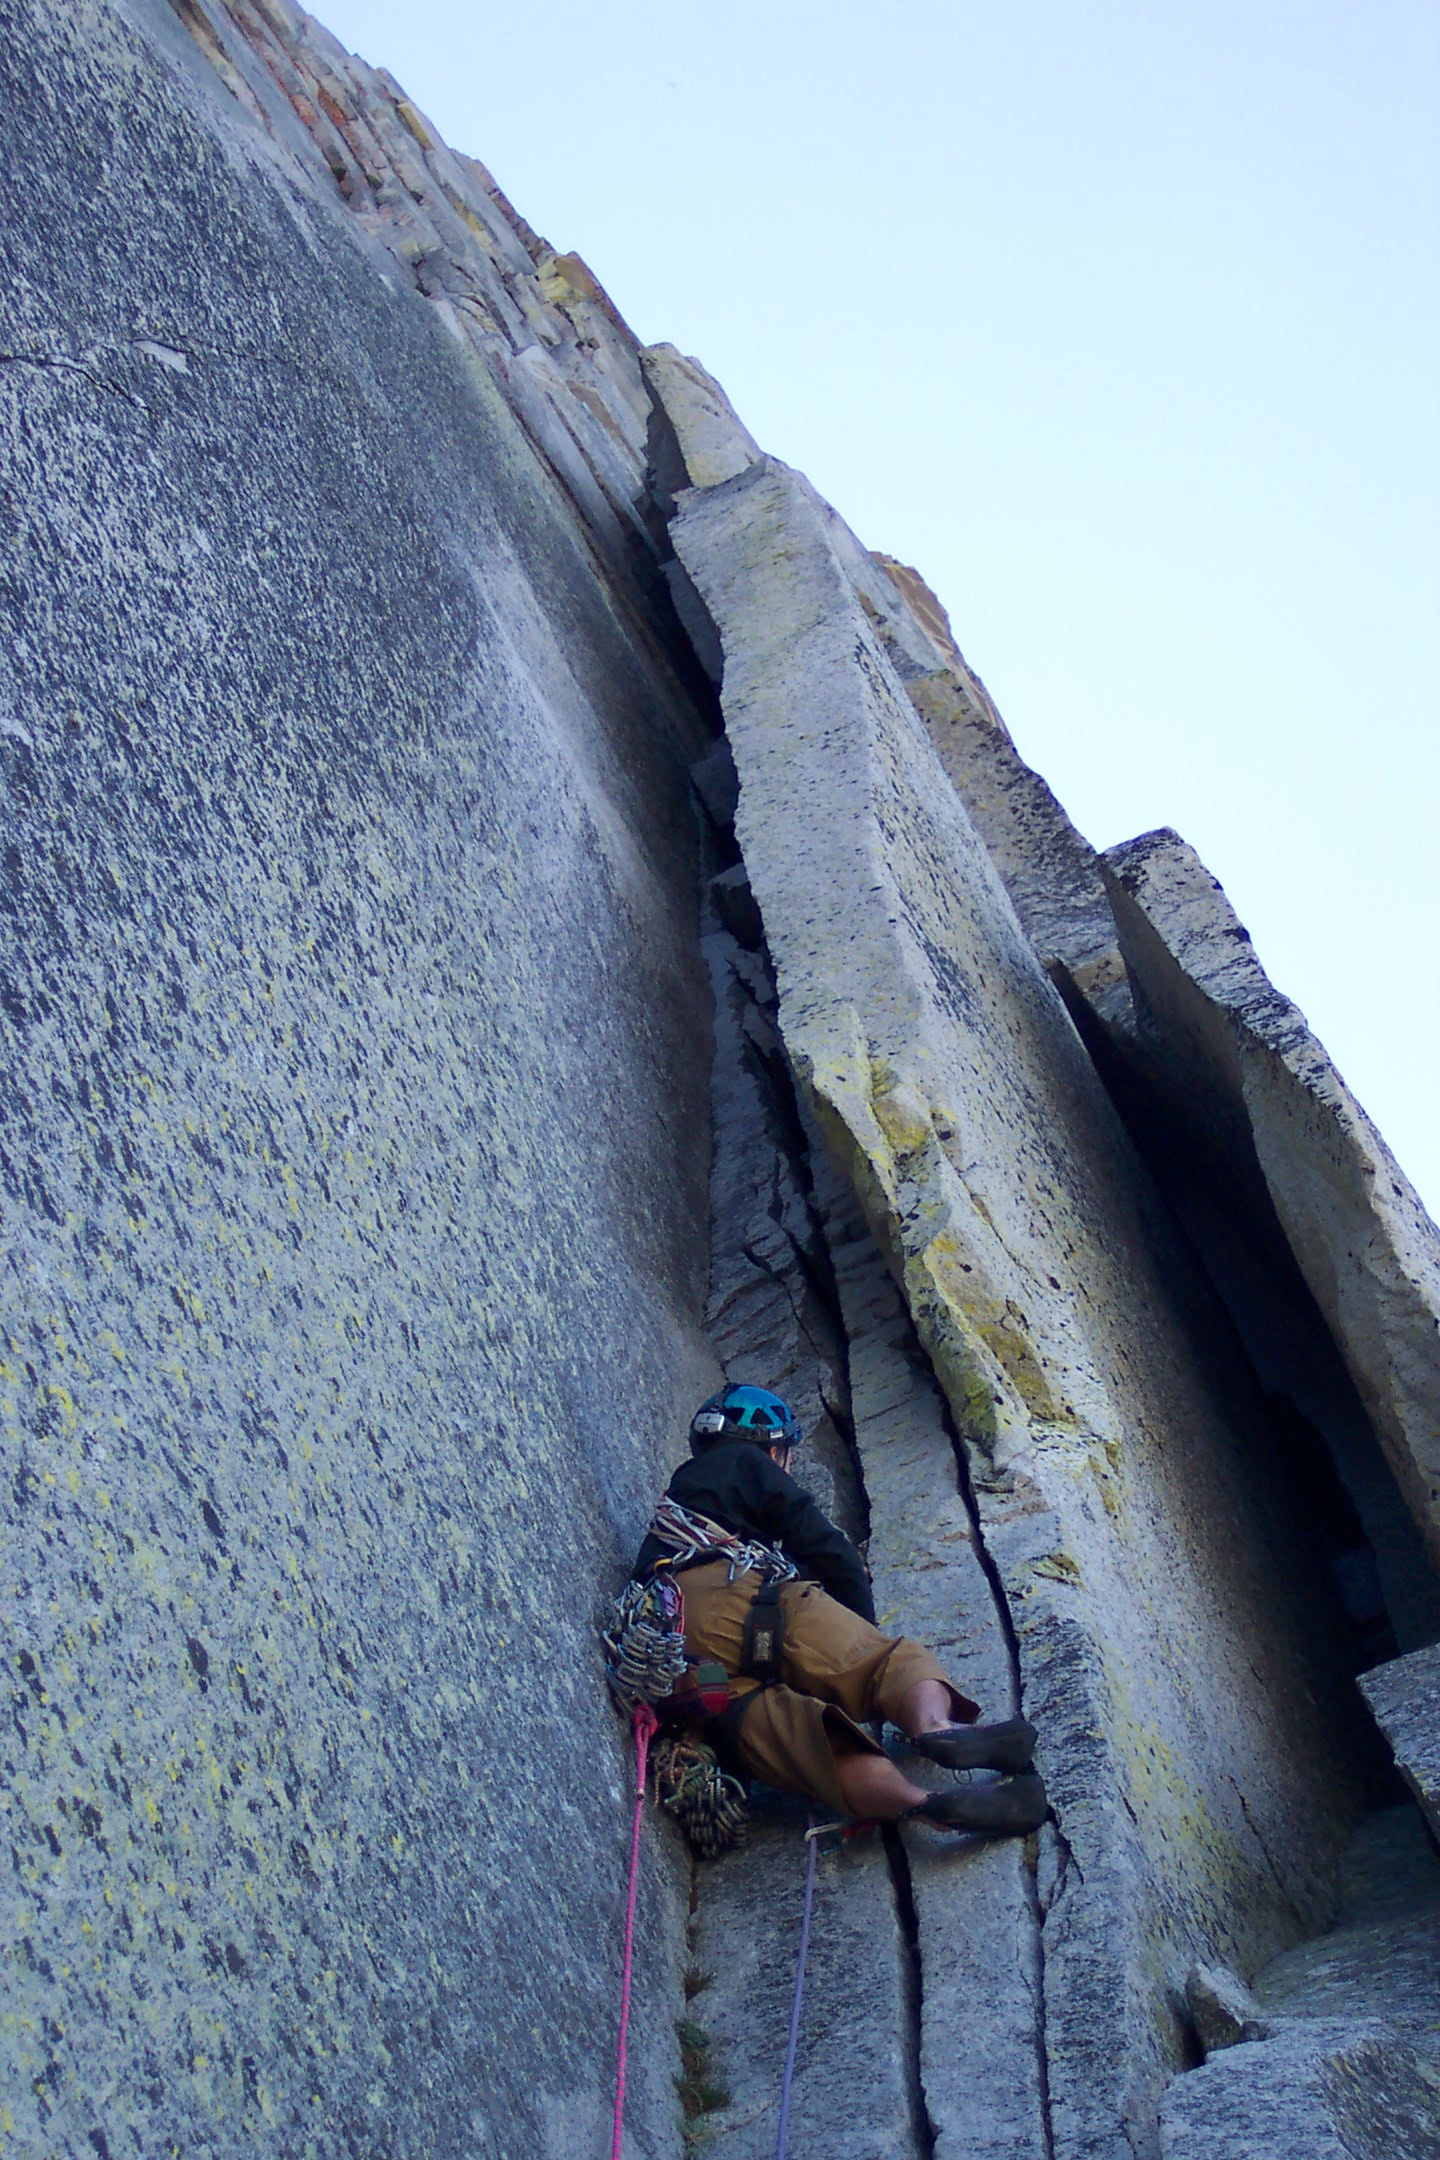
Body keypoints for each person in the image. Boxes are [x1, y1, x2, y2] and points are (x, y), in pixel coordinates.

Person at [631, 1384, 1047, 1831]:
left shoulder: (675, 1510)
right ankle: (935, 1728)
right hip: (740, 1595)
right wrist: (857, 1640)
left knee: (816, 1747)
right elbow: (833, 1553)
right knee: (887, 1662)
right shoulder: (744, 1462)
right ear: (773, 1451)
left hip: (678, 1653)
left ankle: (922, 1804)